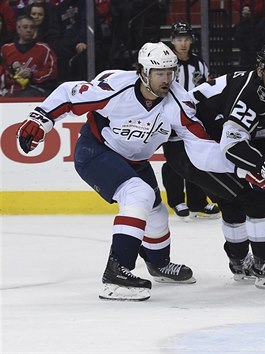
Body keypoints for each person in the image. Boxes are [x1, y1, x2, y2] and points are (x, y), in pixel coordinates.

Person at [15, 41, 237, 301]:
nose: (167, 79)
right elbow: (68, 94)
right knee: (138, 193)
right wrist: (40, 120)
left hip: (136, 160)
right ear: (143, 72)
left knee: (156, 212)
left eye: (170, 72)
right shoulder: (116, 88)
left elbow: (201, 144)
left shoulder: (179, 101)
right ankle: (117, 272)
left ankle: (158, 263)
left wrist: (239, 167)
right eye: (159, 73)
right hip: (96, 152)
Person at [167, 43, 265, 290]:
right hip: (190, 147)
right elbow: (232, 145)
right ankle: (264, 264)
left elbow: (259, 135)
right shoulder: (251, 92)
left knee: (232, 198)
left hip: (199, 142)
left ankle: (240, 262)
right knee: (256, 193)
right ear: (261, 69)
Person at [162, 21, 220, 220]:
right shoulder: (166, 63)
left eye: (186, 39)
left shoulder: (199, 64)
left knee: (196, 160)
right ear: (172, 41)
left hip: (193, 119)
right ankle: (177, 201)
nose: (183, 43)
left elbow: (206, 91)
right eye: (179, 39)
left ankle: (198, 202)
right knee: (173, 161)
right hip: (170, 118)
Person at [0, 15, 57, 97]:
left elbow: (52, 73)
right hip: (9, 91)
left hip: (36, 90)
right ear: (18, 29)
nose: (29, 30)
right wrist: (11, 68)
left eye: (32, 27)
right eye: (25, 27)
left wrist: (32, 74)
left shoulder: (45, 49)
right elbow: (2, 72)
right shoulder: (5, 49)